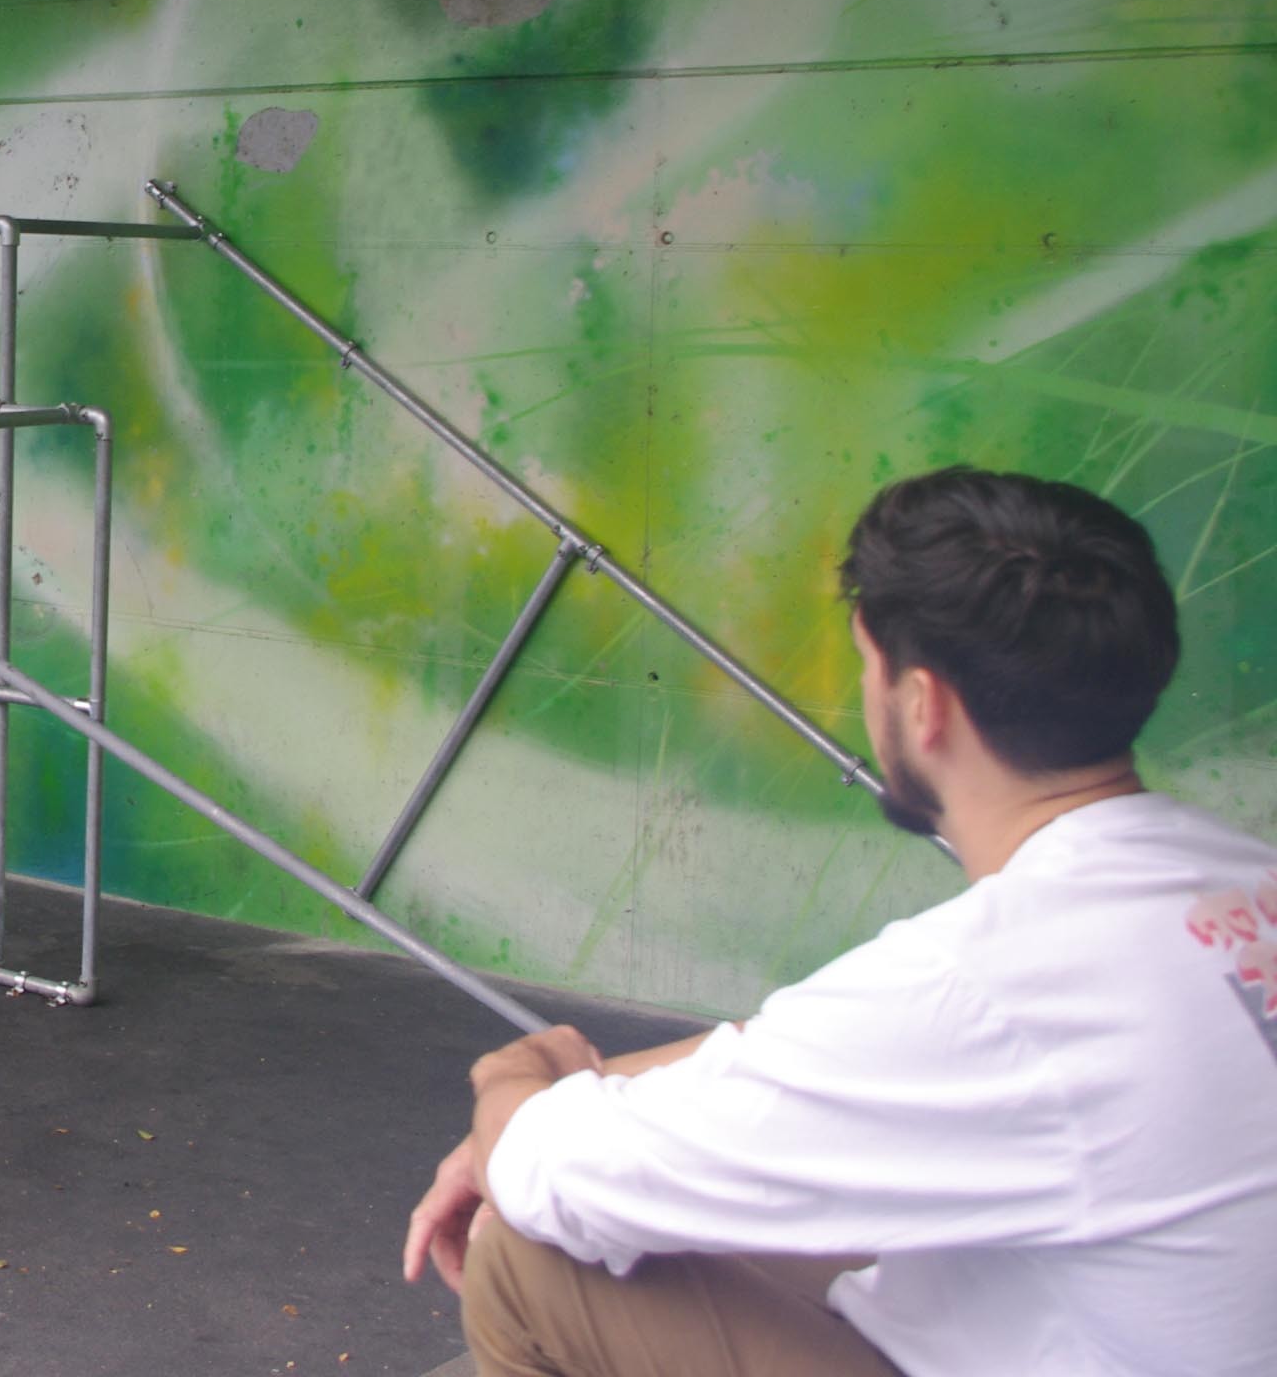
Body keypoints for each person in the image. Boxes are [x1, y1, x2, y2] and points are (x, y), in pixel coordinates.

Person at [399, 467, 1277, 1377]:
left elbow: (552, 1178)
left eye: (868, 665)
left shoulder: (987, 983)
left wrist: (512, 1077)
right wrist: (571, 1088)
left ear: (923, 704)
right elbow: (795, 1054)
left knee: (529, 1257)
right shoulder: (1233, 876)